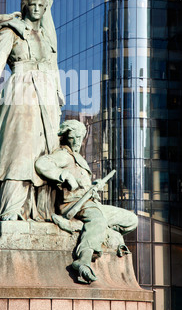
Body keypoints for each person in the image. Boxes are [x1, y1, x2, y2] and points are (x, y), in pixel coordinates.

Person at [0, 0, 64, 222]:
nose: (37, 9)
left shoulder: (45, 36)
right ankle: (11, 210)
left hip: (47, 99)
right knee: (19, 151)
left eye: (41, 6)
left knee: (45, 153)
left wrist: (58, 97)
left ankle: (42, 212)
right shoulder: (12, 31)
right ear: (25, 5)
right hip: (21, 92)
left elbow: (52, 66)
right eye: (32, 4)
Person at [35, 120, 138, 284]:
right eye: (73, 138)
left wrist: (93, 186)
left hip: (91, 203)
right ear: (66, 137)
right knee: (97, 220)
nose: (77, 142)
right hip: (75, 204)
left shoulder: (78, 158)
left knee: (131, 220)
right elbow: (42, 164)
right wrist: (66, 176)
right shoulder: (63, 155)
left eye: (79, 138)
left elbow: (83, 183)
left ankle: (94, 231)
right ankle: (83, 259)